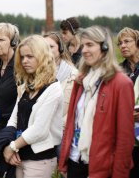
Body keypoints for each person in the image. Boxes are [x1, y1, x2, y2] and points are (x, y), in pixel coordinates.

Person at [59, 26, 135, 177]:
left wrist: (120, 173)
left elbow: (125, 138)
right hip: (75, 160)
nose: (84, 50)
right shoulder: (80, 80)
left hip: (102, 167)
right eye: (83, 45)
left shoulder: (121, 84)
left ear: (104, 47)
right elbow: (71, 124)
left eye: (90, 45)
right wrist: (64, 161)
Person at [2, 35, 63, 178]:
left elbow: (39, 130)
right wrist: (11, 146)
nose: (24, 61)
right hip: (20, 155)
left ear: (42, 57)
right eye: (22, 57)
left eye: (30, 56)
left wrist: (12, 147)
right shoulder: (25, 86)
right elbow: (14, 119)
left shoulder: (53, 88)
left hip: (40, 158)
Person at [116, 27, 139, 178]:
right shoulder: (118, 71)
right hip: (123, 136)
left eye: (127, 41)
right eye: (120, 43)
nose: (123, 45)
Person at [44, 32, 78, 128]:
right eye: (44, 47)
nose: (47, 50)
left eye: (51, 46)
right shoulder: (35, 73)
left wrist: (58, 127)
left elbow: (75, 108)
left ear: (60, 49)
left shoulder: (73, 75)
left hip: (62, 130)